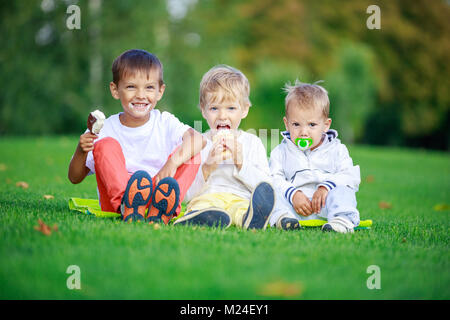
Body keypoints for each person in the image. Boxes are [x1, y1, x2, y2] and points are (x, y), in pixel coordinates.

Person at [68, 49, 205, 224]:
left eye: (149, 87)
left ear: (160, 91)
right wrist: (81, 150)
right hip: (116, 201)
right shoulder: (104, 128)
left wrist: (172, 163)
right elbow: (74, 177)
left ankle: (164, 209)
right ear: (115, 90)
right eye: (131, 87)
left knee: (192, 152)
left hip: (156, 195)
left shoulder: (165, 122)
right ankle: (127, 205)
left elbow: (199, 139)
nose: (140, 95)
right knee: (105, 145)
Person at [174, 65, 275, 230]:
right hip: (208, 199)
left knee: (243, 209)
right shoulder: (197, 144)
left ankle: (251, 219)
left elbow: (265, 187)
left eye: (231, 108)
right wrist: (206, 169)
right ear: (203, 110)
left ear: (244, 110)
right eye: (214, 108)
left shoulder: (252, 142)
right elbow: (185, 195)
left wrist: (241, 163)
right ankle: (198, 217)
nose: (222, 116)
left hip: (240, 198)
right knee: (203, 206)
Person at [269, 80, 361, 233]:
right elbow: (273, 177)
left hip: (326, 205)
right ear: (287, 124)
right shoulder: (280, 151)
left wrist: (326, 186)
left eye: (312, 125)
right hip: (295, 207)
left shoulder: (337, 150)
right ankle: (283, 218)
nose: (304, 132)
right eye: (296, 124)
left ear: (326, 125)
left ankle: (341, 219)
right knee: (271, 191)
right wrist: (293, 194)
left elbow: (351, 176)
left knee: (344, 191)